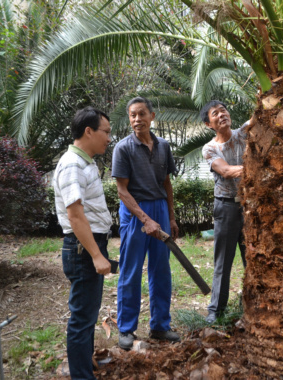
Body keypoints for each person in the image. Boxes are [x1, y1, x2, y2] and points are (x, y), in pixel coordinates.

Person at [112, 97, 180, 350]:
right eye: (132, 115)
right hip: (135, 211)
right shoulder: (123, 148)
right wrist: (145, 219)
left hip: (160, 209)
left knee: (161, 270)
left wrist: (170, 217)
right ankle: (126, 329)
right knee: (131, 270)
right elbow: (121, 190)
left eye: (141, 114)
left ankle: (160, 326)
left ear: (152, 116)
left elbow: (166, 184)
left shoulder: (163, 146)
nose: (137, 119)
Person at [53, 106, 113, 380]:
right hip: (82, 249)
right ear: (88, 131)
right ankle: (80, 376)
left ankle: (85, 366)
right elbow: (75, 216)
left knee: (88, 315)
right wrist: (96, 255)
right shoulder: (72, 165)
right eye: (106, 132)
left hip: (88, 246)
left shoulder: (85, 162)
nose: (109, 138)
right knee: (81, 319)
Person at [200, 100, 252, 324]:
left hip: (250, 207)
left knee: (253, 259)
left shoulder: (243, 134)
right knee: (223, 261)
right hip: (227, 207)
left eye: (223, 110)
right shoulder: (210, 148)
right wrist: (258, 167)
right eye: (215, 113)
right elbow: (226, 171)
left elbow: (263, 116)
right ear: (208, 124)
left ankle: (251, 306)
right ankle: (216, 312)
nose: (221, 115)